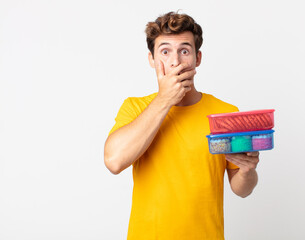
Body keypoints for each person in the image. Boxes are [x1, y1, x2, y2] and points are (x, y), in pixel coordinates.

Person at [104, 11, 260, 240]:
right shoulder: (135, 108)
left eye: (184, 51)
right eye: (165, 51)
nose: (175, 61)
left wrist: (247, 170)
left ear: (197, 58)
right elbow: (114, 161)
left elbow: (241, 189)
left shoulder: (224, 113)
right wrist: (165, 99)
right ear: (152, 59)